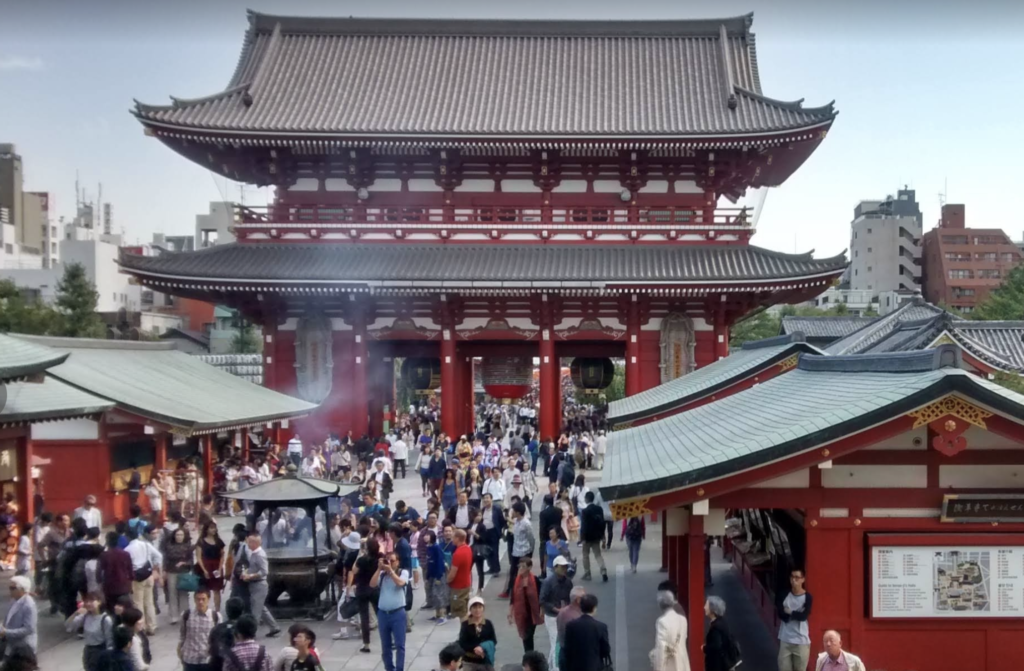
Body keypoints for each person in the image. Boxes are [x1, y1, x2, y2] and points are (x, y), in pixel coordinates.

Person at [372, 551, 409, 671]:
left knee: (399, 645)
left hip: (398, 613)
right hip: (383, 614)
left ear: (397, 562)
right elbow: (372, 584)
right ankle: (389, 668)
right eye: (387, 560)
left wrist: (391, 571)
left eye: (392, 561)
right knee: (385, 646)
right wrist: (379, 569)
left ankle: (399, 669)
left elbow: (400, 583)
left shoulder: (403, 572)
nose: (389, 563)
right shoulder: (382, 575)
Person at [240, 531, 281, 638]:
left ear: (255, 543)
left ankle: (251, 633)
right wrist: (246, 572)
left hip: (259, 584)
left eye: (250, 542)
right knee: (261, 607)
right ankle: (274, 626)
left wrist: (251, 576)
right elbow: (253, 567)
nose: (248, 545)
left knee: (255, 611)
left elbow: (264, 571)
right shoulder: (255, 553)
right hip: (255, 584)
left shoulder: (260, 555)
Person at [125, 528, 160, 635]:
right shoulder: (145, 544)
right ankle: (152, 626)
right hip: (148, 574)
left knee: (138, 603)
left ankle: (142, 627)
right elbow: (158, 556)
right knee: (149, 602)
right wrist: (155, 568)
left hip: (137, 577)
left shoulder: (127, 549)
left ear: (127, 536)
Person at [561, 594, 610, 671]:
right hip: (594, 666)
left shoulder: (570, 625)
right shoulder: (601, 627)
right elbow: (605, 650)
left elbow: (567, 649)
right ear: (594, 608)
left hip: (575, 667)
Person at [539, 555, 573, 663]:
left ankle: (551, 665)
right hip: (552, 616)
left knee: (560, 642)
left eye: (565, 567)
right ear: (555, 567)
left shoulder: (568, 582)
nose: (564, 569)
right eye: (562, 567)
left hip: (564, 615)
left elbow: (570, 597)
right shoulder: (548, 582)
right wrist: (556, 609)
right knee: (556, 642)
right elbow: (542, 600)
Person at [66, 592, 113, 671]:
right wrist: (76, 613)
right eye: (86, 601)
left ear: (99, 602)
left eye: (92, 601)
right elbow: (69, 626)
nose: (88, 604)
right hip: (88, 650)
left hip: (100, 650)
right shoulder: (85, 616)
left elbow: (110, 640)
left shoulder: (105, 619)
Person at [778, 568, 813, 671]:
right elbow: (780, 613)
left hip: (801, 641)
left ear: (803, 579)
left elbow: (803, 616)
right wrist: (796, 613)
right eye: (792, 577)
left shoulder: (807, 597)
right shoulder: (784, 594)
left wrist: (790, 612)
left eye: (797, 577)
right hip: (785, 639)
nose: (794, 580)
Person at [179, 588, 221, 671]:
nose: (200, 602)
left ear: (208, 599)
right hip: (190, 660)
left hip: (208, 660)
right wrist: (181, 653)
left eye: (203, 599)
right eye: (198, 599)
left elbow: (219, 638)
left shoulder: (215, 616)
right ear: (194, 600)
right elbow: (182, 636)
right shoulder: (186, 615)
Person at [499, 501, 535, 599]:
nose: (512, 513)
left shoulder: (526, 524)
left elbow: (531, 538)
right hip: (516, 551)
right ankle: (509, 591)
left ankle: (524, 592)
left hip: (524, 551)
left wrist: (531, 551)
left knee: (523, 573)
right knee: (512, 572)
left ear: (518, 512)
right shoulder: (516, 522)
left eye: (513, 511)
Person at [508, 557, 542, 655]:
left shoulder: (535, 580)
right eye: (520, 566)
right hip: (521, 613)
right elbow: (513, 598)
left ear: (529, 567)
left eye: (523, 566)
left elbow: (541, 596)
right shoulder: (516, 581)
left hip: (533, 612)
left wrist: (542, 610)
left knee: (529, 635)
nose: (521, 568)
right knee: (525, 636)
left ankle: (529, 656)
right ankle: (529, 656)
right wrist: (510, 613)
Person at [650, 589, 689, 671]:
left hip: (670, 664)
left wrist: (658, 668)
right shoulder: (683, 619)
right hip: (683, 661)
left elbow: (661, 647)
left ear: (660, 605)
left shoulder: (662, 622)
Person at [163, 527, 193, 625]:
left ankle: (185, 614)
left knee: (183, 594)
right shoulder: (169, 546)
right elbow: (165, 559)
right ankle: (173, 616)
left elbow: (191, 561)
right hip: (171, 571)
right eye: (177, 535)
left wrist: (183, 563)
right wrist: (164, 570)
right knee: (172, 593)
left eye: (181, 535)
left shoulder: (188, 546)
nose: (179, 537)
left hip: (184, 571)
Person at [457, 596, 497, 671]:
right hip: (469, 661)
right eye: (474, 607)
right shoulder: (465, 625)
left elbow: (493, 640)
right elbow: (462, 643)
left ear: (483, 608)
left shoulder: (488, 623)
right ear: (470, 609)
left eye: (480, 607)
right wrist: (475, 649)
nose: (477, 610)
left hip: (485, 661)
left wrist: (482, 648)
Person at [196, 521, 227, 613]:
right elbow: (198, 557)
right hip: (205, 566)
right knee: (205, 590)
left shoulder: (219, 541)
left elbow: (222, 556)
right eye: (211, 528)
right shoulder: (201, 541)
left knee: (217, 590)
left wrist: (220, 568)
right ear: (207, 529)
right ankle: (205, 609)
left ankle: (217, 610)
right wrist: (204, 570)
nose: (214, 530)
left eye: (214, 528)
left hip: (217, 566)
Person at [702, 596, 740, 671]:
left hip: (718, 666)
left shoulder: (716, 627)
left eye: (706, 605)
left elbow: (716, 646)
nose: (704, 607)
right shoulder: (722, 622)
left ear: (713, 610)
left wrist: (704, 648)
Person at [578, 492, 608, 583]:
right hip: (597, 536)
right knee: (598, 555)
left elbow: (584, 526)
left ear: (586, 499)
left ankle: (587, 573)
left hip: (587, 537)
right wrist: (603, 536)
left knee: (585, 555)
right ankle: (603, 571)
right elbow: (602, 523)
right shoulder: (599, 509)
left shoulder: (585, 511)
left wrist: (582, 538)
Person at [209, 597, 245, 671]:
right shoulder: (244, 629)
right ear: (242, 611)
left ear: (227, 611)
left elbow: (211, 647)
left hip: (217, 665)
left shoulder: (217, 628)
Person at [447, 529, 473, 621]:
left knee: (461, 613)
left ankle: (465, 632)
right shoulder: (468, 549)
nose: (452, 539)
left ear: (458, 538)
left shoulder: (458, 554)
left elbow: (453, 573)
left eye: (453, 537)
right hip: (466, 584)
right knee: (465, 609)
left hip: (458, 587)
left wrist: (447, 580)